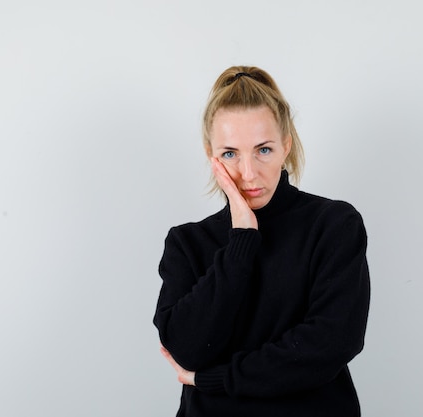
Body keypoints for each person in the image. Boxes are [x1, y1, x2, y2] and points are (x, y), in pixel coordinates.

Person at [153, 65, 370, 417]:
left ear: (286, 145)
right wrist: (241, 241)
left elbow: (330, 345)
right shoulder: (187, 243)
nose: (249, 173)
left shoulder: (333, 225)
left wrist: (217, 378)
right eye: (230, 153)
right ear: (212, 156)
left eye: (263, 150)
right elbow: (189, 350)